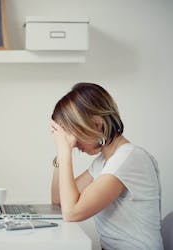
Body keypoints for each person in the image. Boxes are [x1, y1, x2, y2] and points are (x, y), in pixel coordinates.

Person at [50, 83, 163, 250]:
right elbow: (59, 200)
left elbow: (72, 212)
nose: (73, 143)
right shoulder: (104, 161)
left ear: (97, 124)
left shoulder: (128, 158)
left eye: (74, 134)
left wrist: (64, 150)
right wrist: (61, 154)